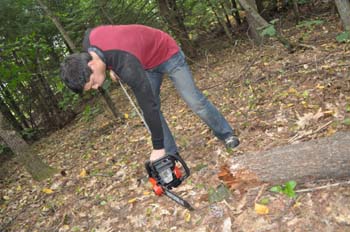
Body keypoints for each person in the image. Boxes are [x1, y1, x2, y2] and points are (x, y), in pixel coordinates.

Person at [60, 24, 239, 162]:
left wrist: (156, 147)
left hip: (167, 53)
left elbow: (149, 107)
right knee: (151, 112)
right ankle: (171, 154)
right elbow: (112, 42)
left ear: (91, 65)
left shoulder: (128, 66)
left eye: (92, 83)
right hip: (145, 63)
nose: (96, 87)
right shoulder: (89, 42)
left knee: (194, 101)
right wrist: (110, 65)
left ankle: (226, 134)